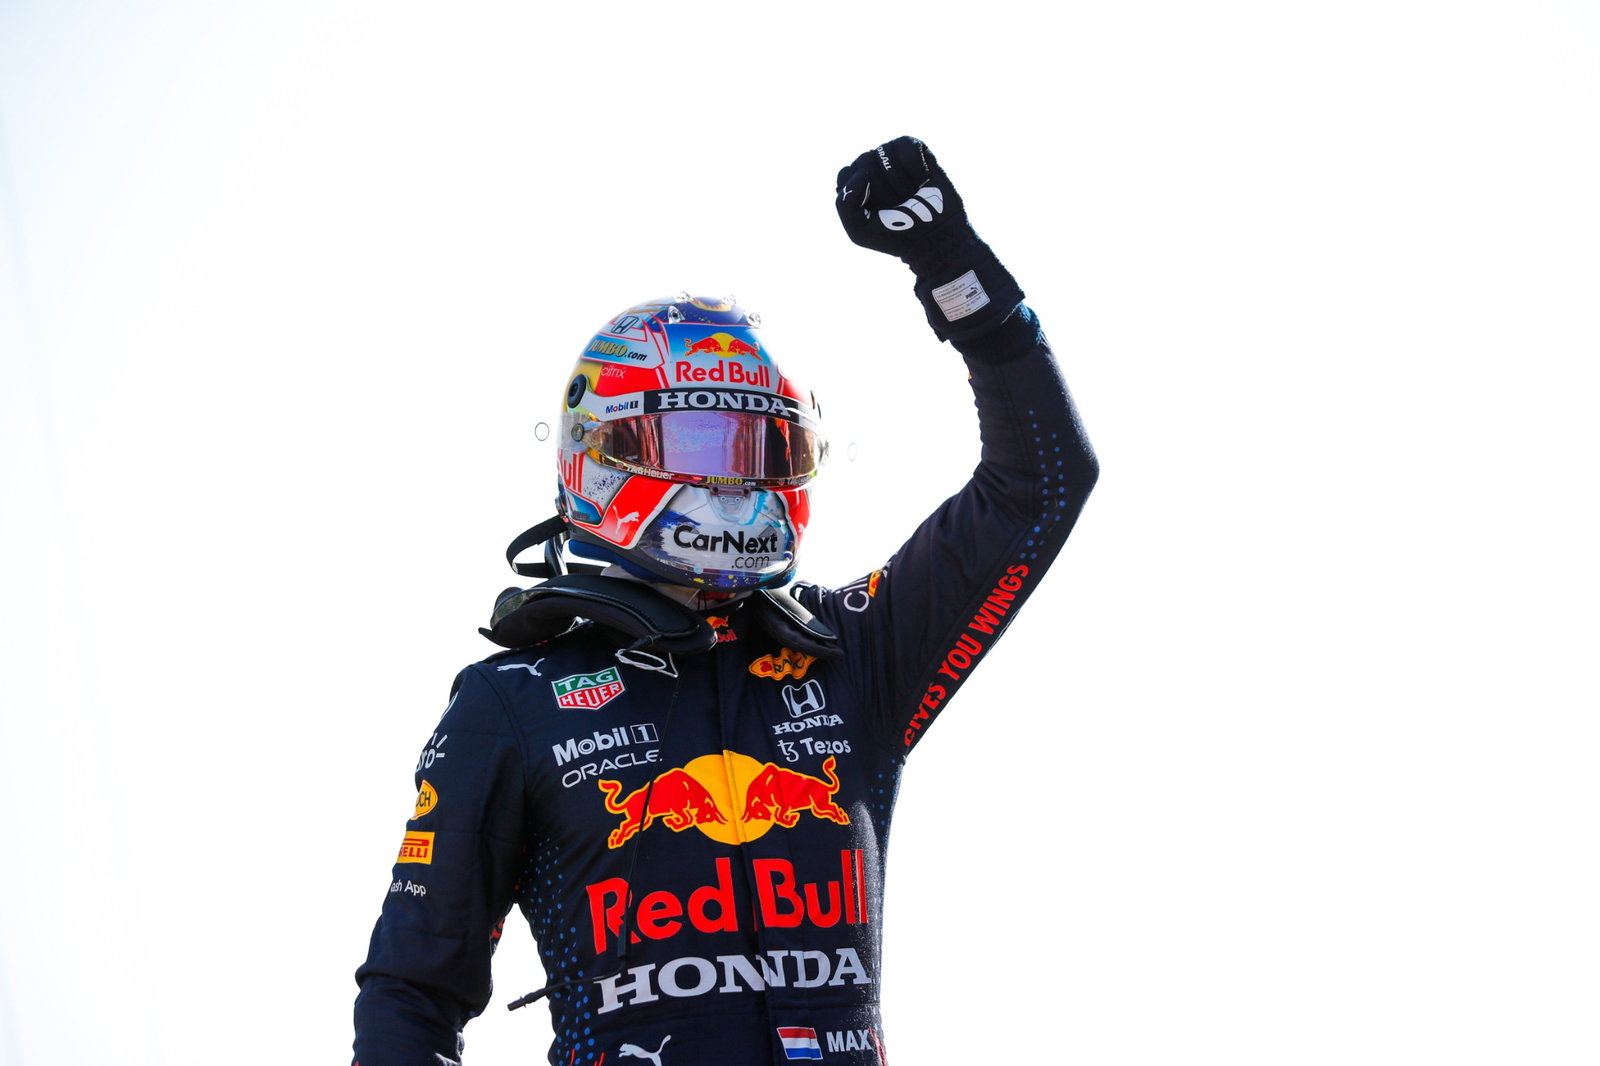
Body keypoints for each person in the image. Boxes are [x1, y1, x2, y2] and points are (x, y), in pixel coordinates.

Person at [353, 136, 1098, 1066]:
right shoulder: (510, 702)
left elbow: (1043, 483)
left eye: (765, 452)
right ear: (603, 450)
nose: (739, 484)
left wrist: (950, 265)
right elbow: (411, 995)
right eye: (707, 445)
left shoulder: (850, 653)